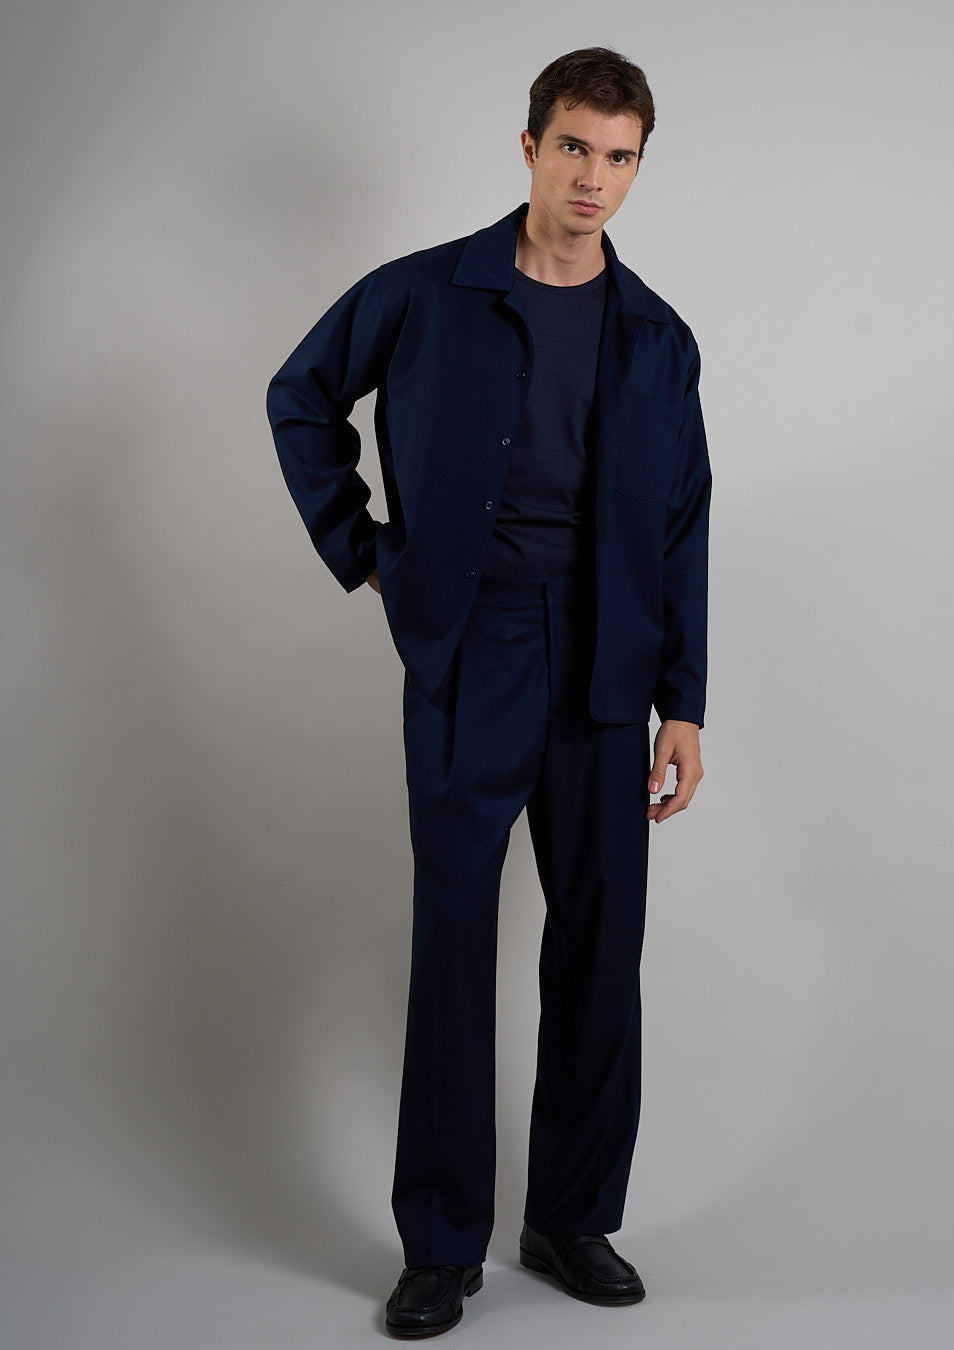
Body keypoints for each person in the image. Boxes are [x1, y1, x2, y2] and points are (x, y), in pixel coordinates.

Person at [267, 46, 711, 1338]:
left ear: (638, 168)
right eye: (574, 147)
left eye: (619, 157)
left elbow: (683, 520)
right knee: (455, 936)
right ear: (529, 148)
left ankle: (571, 1216)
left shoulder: (657, 336)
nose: (594, 177)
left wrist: (684, 701)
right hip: (476, 647)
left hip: (609, 661)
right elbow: (300, 396)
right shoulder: (425, 293)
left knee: (600, 946)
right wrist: (369, 554)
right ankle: (441, 1241)